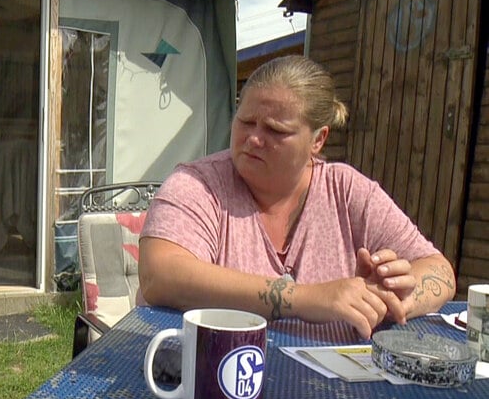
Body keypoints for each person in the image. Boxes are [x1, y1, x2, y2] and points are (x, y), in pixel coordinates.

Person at [138, 55, 455, 339]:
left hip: (334, 391)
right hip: (220, 381)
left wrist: (391, 297)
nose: (254, 138)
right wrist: (306, 299)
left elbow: (440, 271)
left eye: (276, 130)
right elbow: (160, 275)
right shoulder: (197, 184)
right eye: (245, 122)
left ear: (318, 139)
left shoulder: (348, 191)